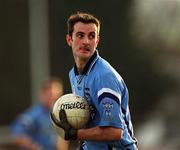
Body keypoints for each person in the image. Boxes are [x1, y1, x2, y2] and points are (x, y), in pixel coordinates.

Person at [51, 12, 138, 150]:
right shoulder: (73, 74)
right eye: (80, 35)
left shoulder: (104, 76)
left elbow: (114, 132)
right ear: (69, 40)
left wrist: (75, 134)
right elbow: (89, 122)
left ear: (97, 41)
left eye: (91, 36)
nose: (86, 41)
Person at [10, 77, 69, 150]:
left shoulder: (62, 115)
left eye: (57, 95)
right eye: (50, 95)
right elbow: (17, 134)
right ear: (42, 94)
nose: (53, 98)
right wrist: (35, 147)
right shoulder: (33, 114)